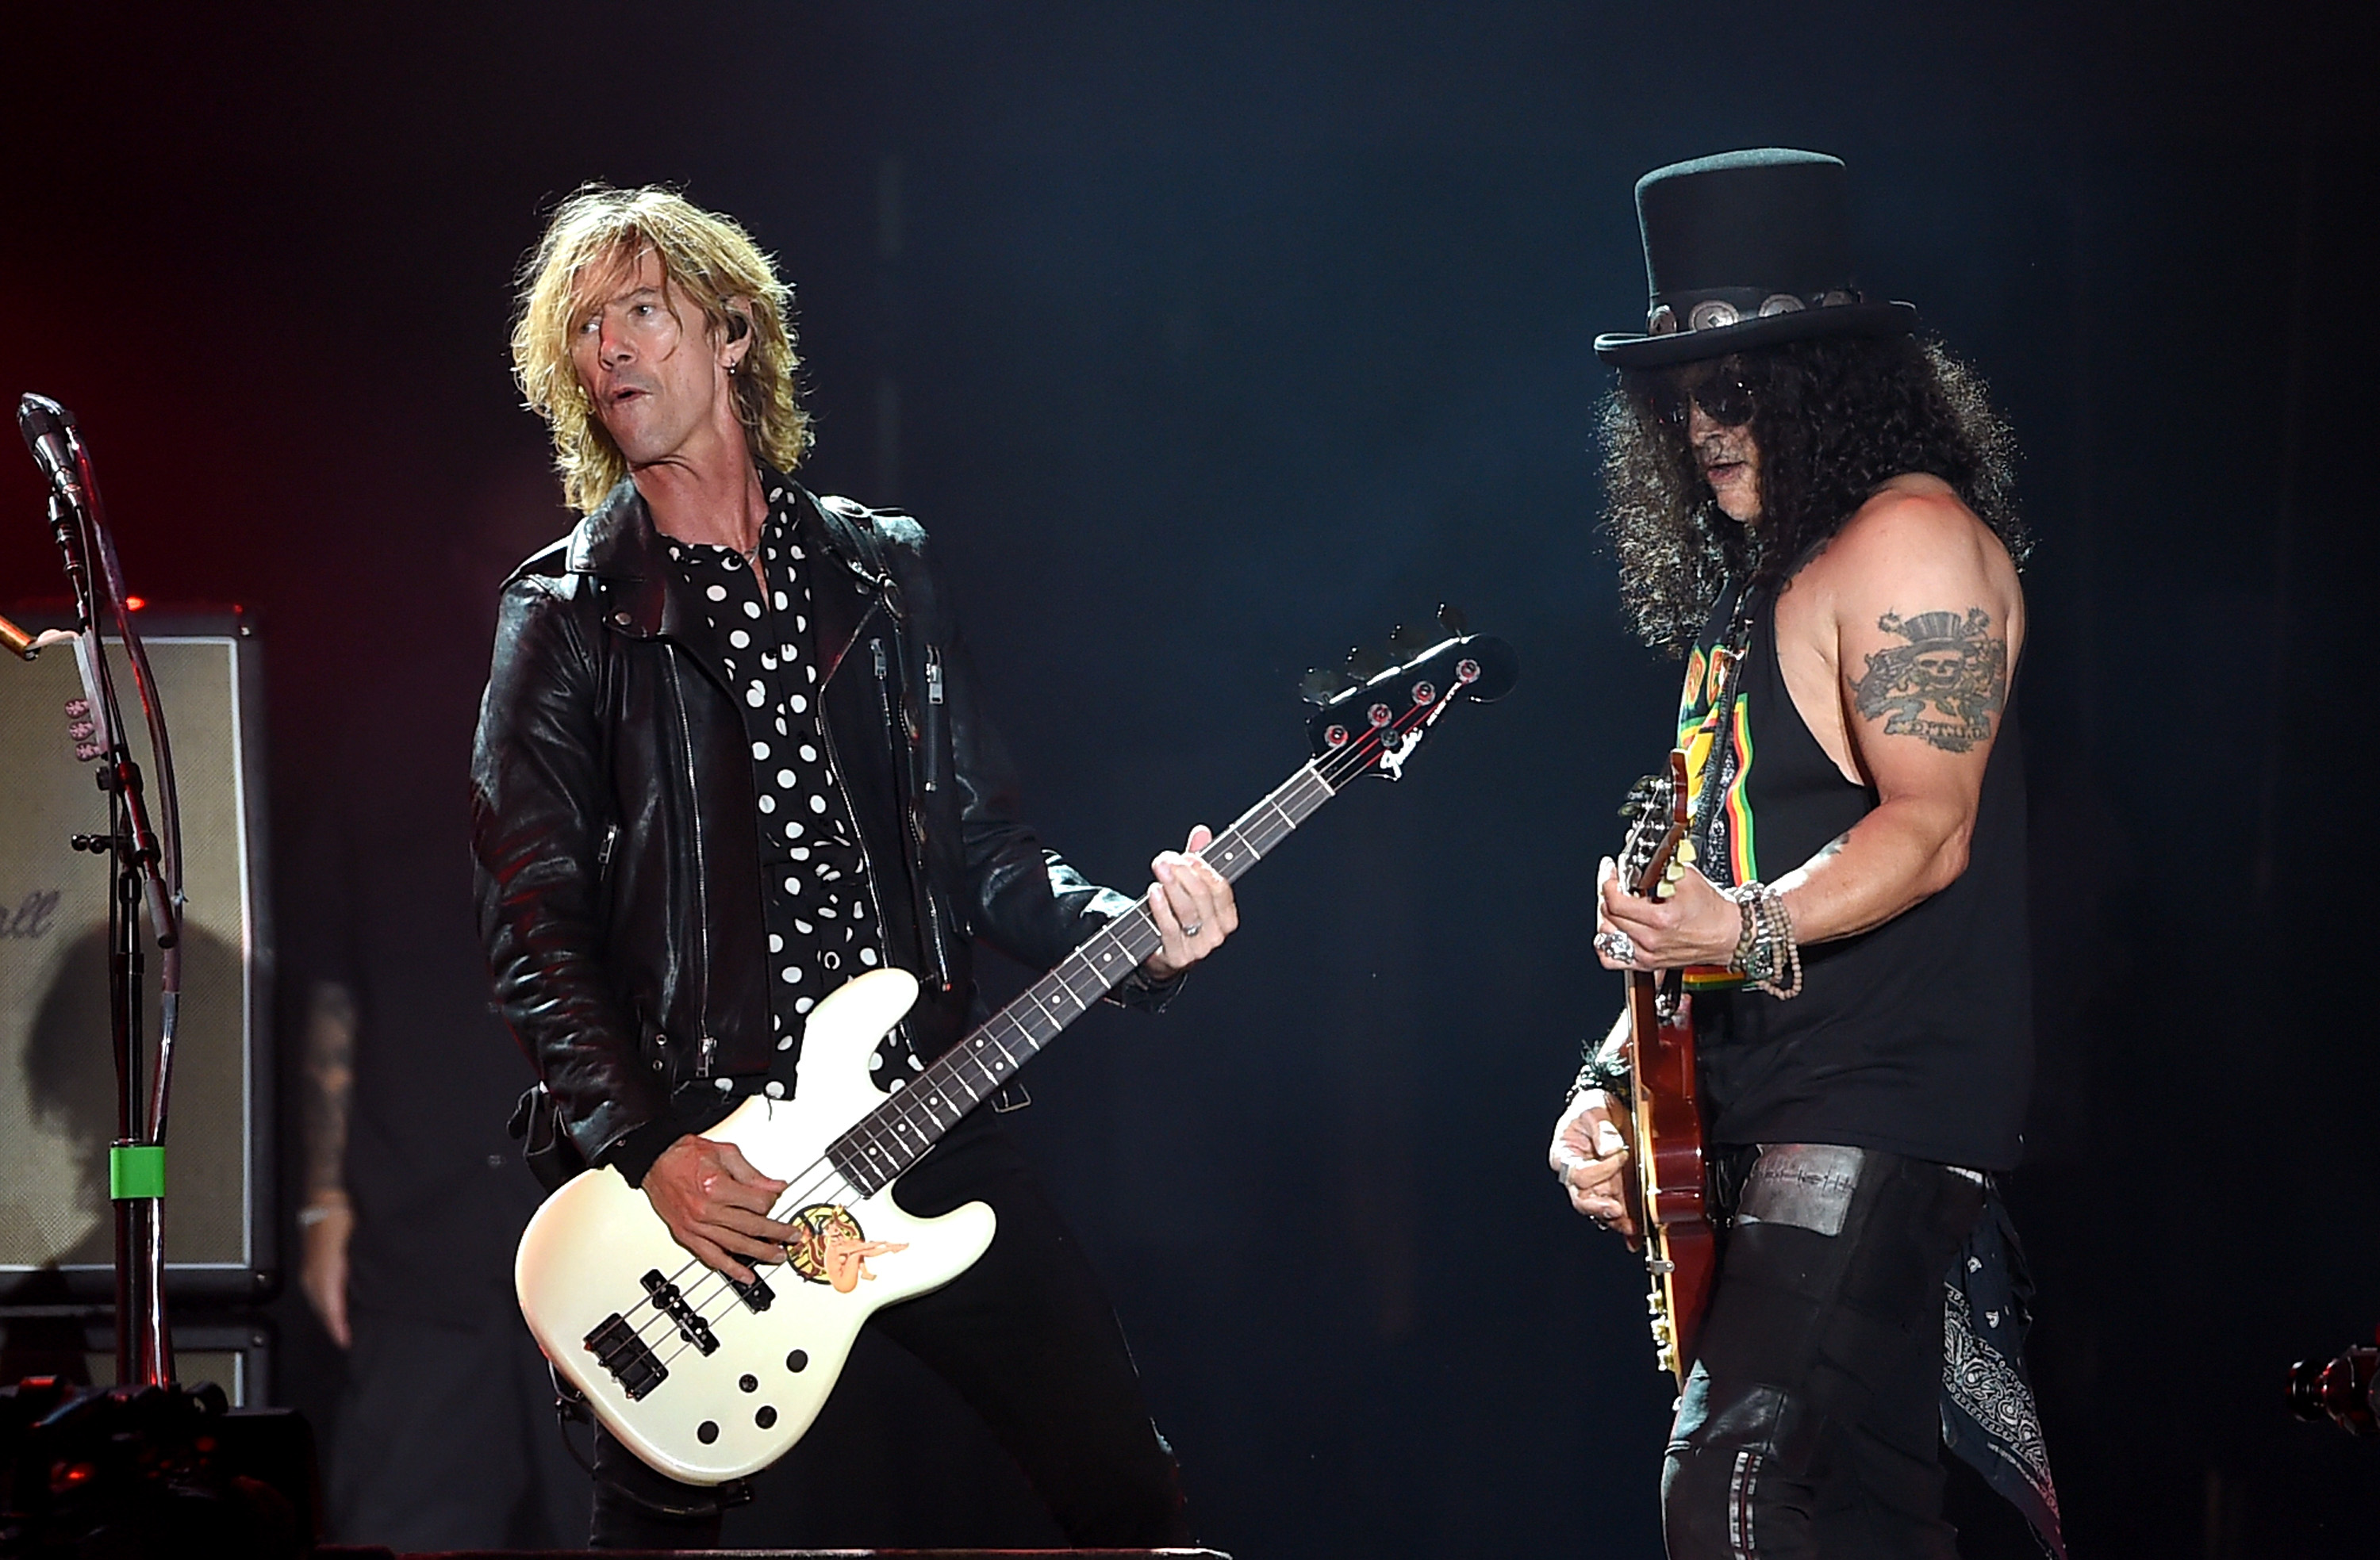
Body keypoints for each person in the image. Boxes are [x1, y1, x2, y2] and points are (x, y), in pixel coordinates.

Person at [470, 184, 1238, 1549]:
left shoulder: (883, 574)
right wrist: (651, 1149)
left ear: (734, 332)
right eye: (586, 331)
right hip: (710, 1165)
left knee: (1129, 1496)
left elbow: (986, 850)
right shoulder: (568, 614)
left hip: (918, 1115)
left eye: (642, 311)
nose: (614, 352)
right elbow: (534, 925)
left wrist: (1134, 932)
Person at [1545, 150, 2063, 1558]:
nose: (1704, 423)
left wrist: (1742, 927)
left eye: (1738, 385)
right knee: (1854, 1514)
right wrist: (1610, 1084)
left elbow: (1929, 826)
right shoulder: (1752, 594)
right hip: (1763, 1115)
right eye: (1679, 392)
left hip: (1879, 1105)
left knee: (1738, 1483)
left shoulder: (1909, 539)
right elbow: (1708, 885)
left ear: (1824, 377)